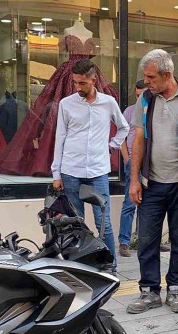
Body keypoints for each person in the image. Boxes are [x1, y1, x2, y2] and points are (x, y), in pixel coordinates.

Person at [126, 49, 178, 315]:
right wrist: (134, 180)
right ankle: (149, 291)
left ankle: (175, 289)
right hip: (151, 184)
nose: (146, 82)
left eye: (151, 77)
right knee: (147, 240)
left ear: (167, 74)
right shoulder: (145, 100)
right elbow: (138, 140)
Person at [51, 59, 129, 271]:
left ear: (93, 80)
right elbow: (60, 137)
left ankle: (110, 266)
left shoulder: (108, 103)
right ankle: (81, 267)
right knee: (75, 223)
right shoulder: (66, 104)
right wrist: (56, 173)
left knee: (104, 222)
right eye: (75, 82)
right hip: (71, 170)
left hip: (98, 170)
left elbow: (124, 127)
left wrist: (112, 146)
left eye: (82, 83)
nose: (78, 87)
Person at [118, 80, 146, 258]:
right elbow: (121, 136)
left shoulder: (154, 110)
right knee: (130, 202)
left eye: (142, 96)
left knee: (150, 203)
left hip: (151, 162)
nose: (139, 99)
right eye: (137, 96)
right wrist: (127, 159)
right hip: (133, 161)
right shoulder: (129, 111)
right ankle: (124, 242)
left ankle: (146, 240)